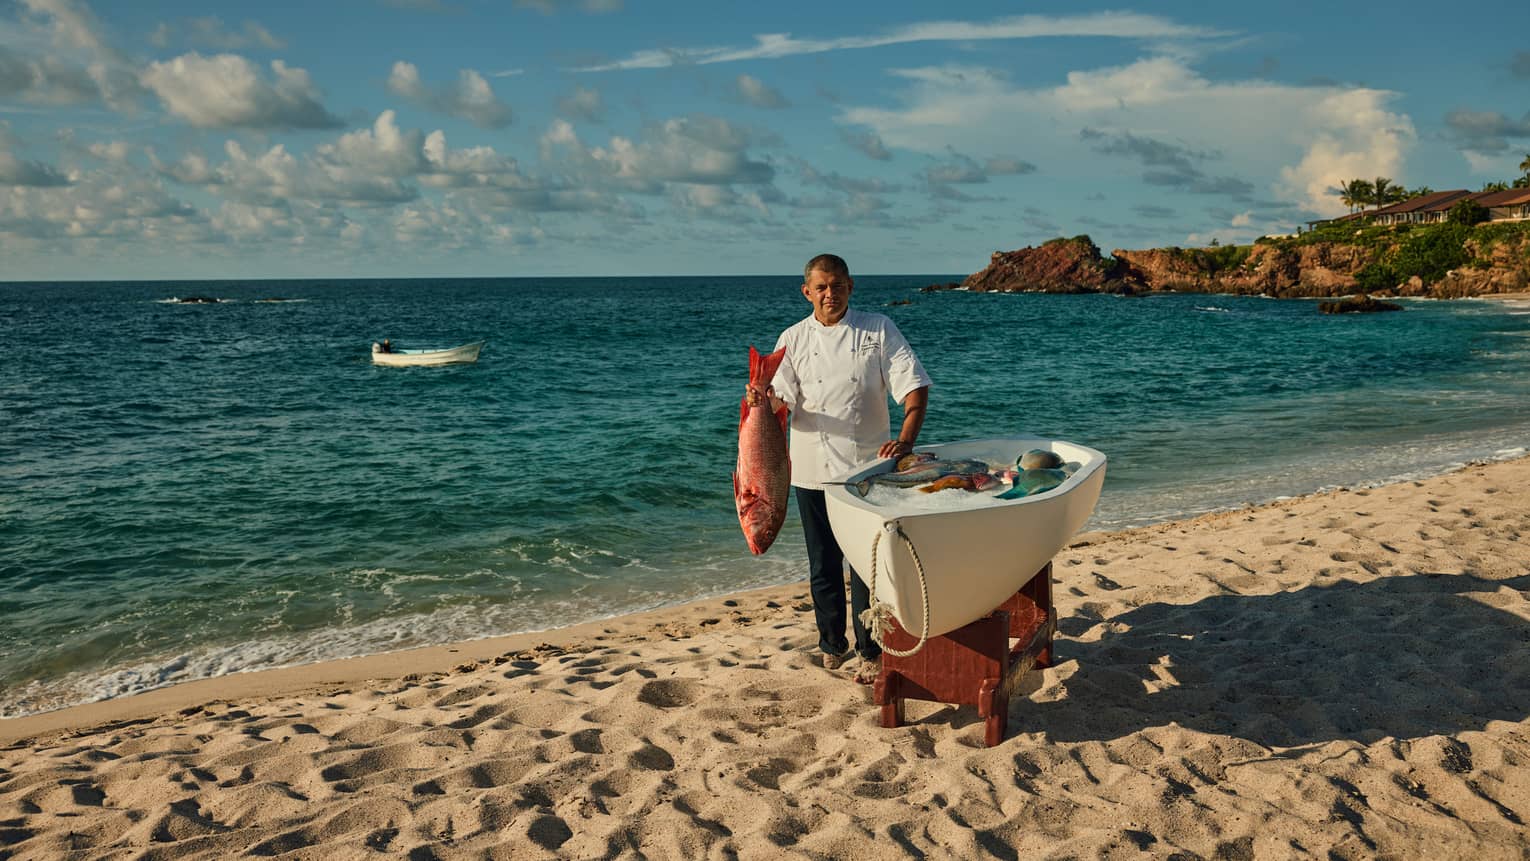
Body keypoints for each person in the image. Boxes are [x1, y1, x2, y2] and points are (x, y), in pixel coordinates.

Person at [747, 253, 932, 684]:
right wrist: (762, 400)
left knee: (867, 563)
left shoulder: (878, 329)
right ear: (807, 292)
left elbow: (914, 386)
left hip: (867, 472)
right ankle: (832, 644)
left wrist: (905, 440)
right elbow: (782, 399)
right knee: (822, 564)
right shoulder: (792, 338)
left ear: (852, 286)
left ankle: (871, 649)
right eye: (821, 287)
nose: (830, 294)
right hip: (811, 469)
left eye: (838, 285)